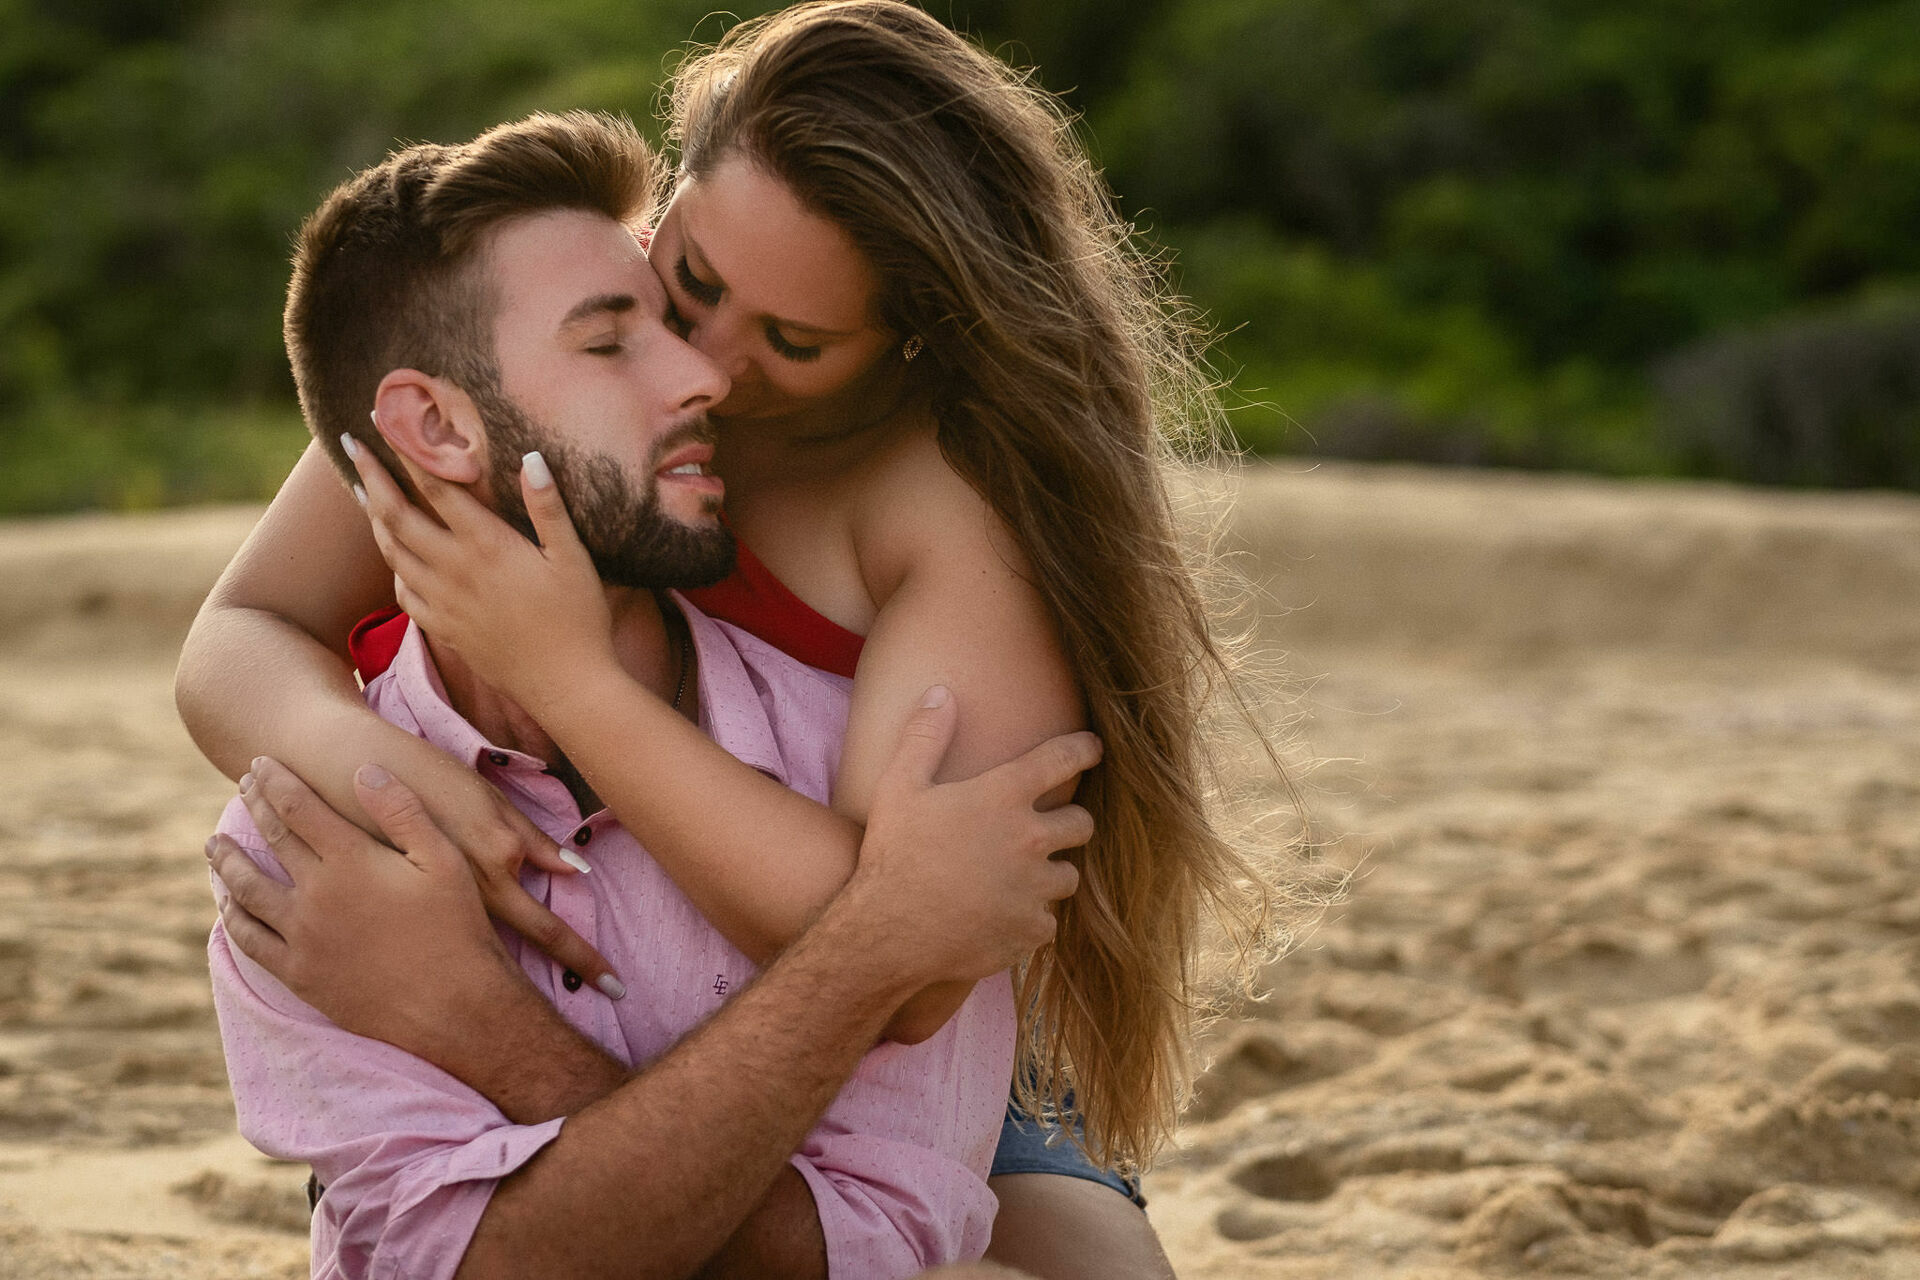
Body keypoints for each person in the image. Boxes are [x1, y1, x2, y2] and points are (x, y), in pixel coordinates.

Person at [177, 4, 1299, 1275]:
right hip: (615, 999)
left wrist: (566, 678)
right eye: (689, 280)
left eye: (795, 341)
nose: (705, 363)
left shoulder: (936, 498)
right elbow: (240, 635)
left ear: (910, 340)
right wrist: (411, 791)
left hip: (921, 1084)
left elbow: (913, 969)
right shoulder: (528, 385)